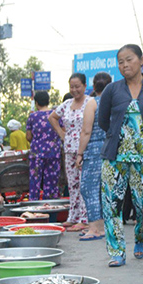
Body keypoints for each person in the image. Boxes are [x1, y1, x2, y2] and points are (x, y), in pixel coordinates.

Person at [97, 44, 143, 267]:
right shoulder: (112, 89)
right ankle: (117, 251)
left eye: (129, 59)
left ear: (141, 60)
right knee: (112, 205)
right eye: (120, 62)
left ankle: (140, 237)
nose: (125, 65)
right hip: (114, 158)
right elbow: (103, 120)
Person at [50, 73, 90, 230]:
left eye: (77, 86)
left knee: (84, 184)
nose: (74, 90)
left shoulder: (90, 102)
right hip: (69, 150)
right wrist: (62, 134)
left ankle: (85, 219)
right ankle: (73, 216)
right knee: (72, 184)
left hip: (85, 149)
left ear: (84, 86)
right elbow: (52, 117)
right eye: (71, 87)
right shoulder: (66, 104)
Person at [77, 72, 112, 241]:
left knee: (88, 188)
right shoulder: (114, 102)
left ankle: (95, 228)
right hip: (111, 148)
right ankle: (101, 226)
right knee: (103, 189)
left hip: (95, 149)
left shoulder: (93, 103)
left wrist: (79, 153)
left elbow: (86, 131)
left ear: (93, 85)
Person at [26, 90, 62, 200]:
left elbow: (28, 137)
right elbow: (63, 132)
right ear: (48, 101)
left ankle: (34, 206)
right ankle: (50, 209)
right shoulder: (56, 115)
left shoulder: (32, 117)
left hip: (37, 153)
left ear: (36, 103)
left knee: (35, 182)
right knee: (51, 182)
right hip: (53, 152)